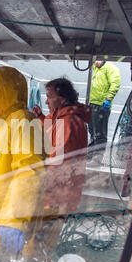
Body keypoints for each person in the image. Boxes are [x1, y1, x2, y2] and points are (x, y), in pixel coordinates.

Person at [0, 66, 45, 257]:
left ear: (6, 90)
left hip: (3, 228)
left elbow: (29, 171)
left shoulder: (23, 120)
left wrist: (14, 220)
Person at [32, 78, 91, 249]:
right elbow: (53, 133)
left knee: (45, 238)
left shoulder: (67, 121)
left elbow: (57, 162)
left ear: (62, 99)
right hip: (65, 190)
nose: (46, 101)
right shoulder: (67, 116)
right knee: (50, 233)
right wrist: (41, 117)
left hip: (58, 193)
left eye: (49, 97)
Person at [88, 60, 121, 164]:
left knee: (100, 131)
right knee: (92, 130)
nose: (95, 62)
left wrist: (109, 98)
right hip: (93, 103)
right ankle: (91, 154)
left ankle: (98, 158)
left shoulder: (111, 68)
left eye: (97, 59)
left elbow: (115, 83)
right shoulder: (97, 68)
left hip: (102, 105)